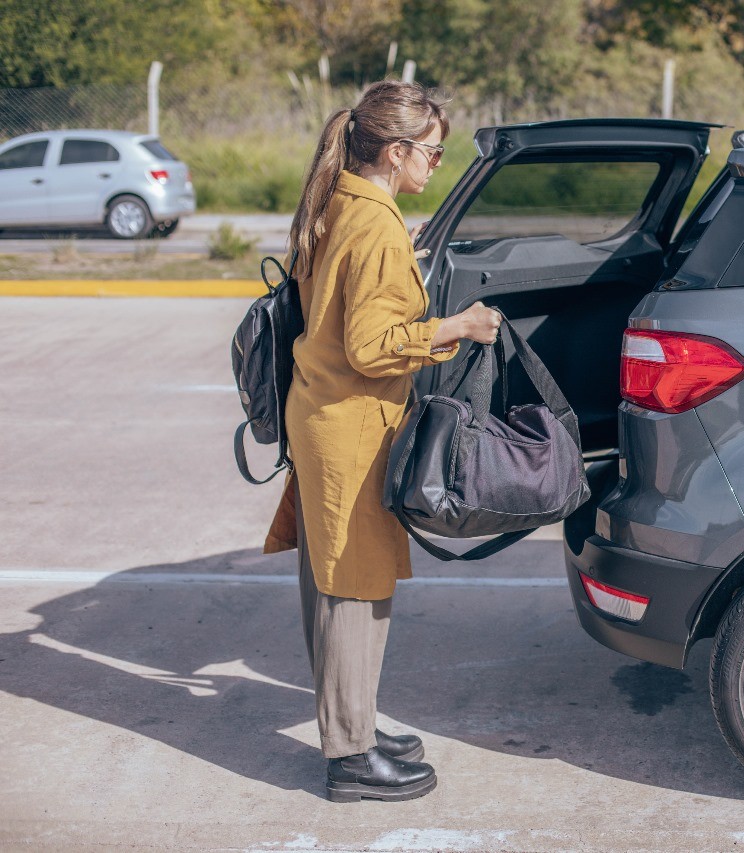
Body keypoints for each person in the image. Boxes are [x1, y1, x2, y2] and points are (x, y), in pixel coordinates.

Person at [269, 80, 501, 803]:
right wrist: (455, 329)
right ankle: (350, 758)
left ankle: (356, 725)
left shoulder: (343, 200)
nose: (436, 163)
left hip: (325, 415)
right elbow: (371, 346)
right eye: (430, 152)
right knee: (352, 595)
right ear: (395, 152)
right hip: (349, 425)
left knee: (337, 586)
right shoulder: (373, 224)